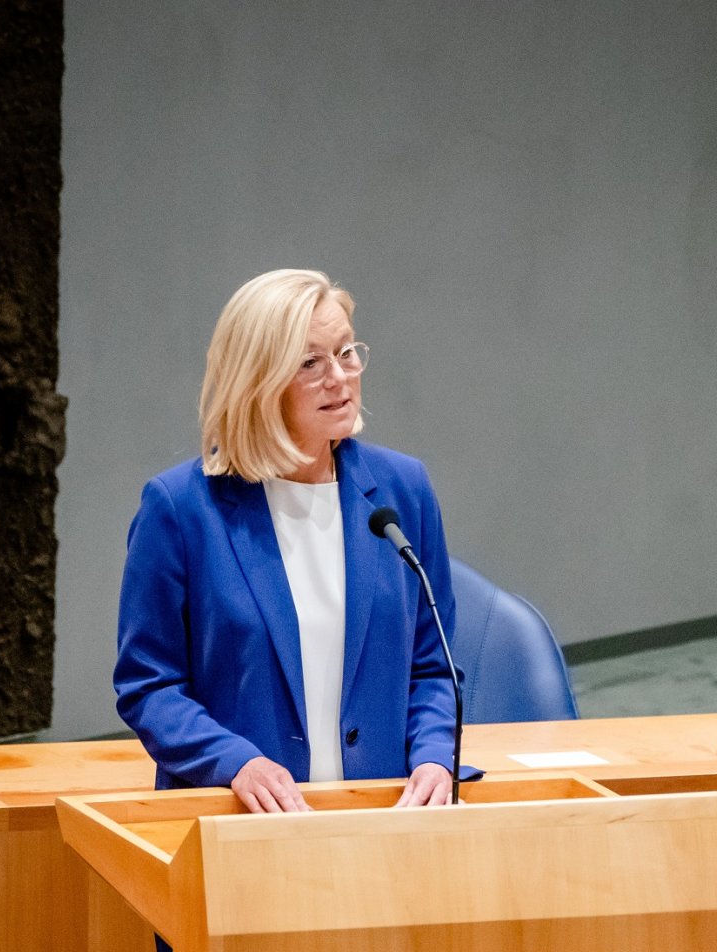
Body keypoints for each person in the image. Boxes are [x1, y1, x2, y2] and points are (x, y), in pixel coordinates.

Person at [115, 268, 459, 813]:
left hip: (385, 812)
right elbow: (148, 686)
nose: (340, 378)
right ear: (257, 380)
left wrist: (436, 757)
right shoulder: (180, 509)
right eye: (310, 363)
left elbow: (434, 663)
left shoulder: (402, 490)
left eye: (347, 353)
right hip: (241, 819)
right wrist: (234, 762)